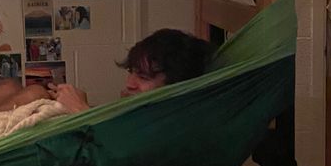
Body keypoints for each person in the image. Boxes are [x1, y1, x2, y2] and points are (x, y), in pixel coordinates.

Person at [49, 28, 215, 112]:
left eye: (143, 77)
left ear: (175, 87)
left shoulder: (170, 131)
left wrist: (79, 110)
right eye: (131, 71)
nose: (129, 83)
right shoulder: (142, 117)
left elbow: (119, 152)